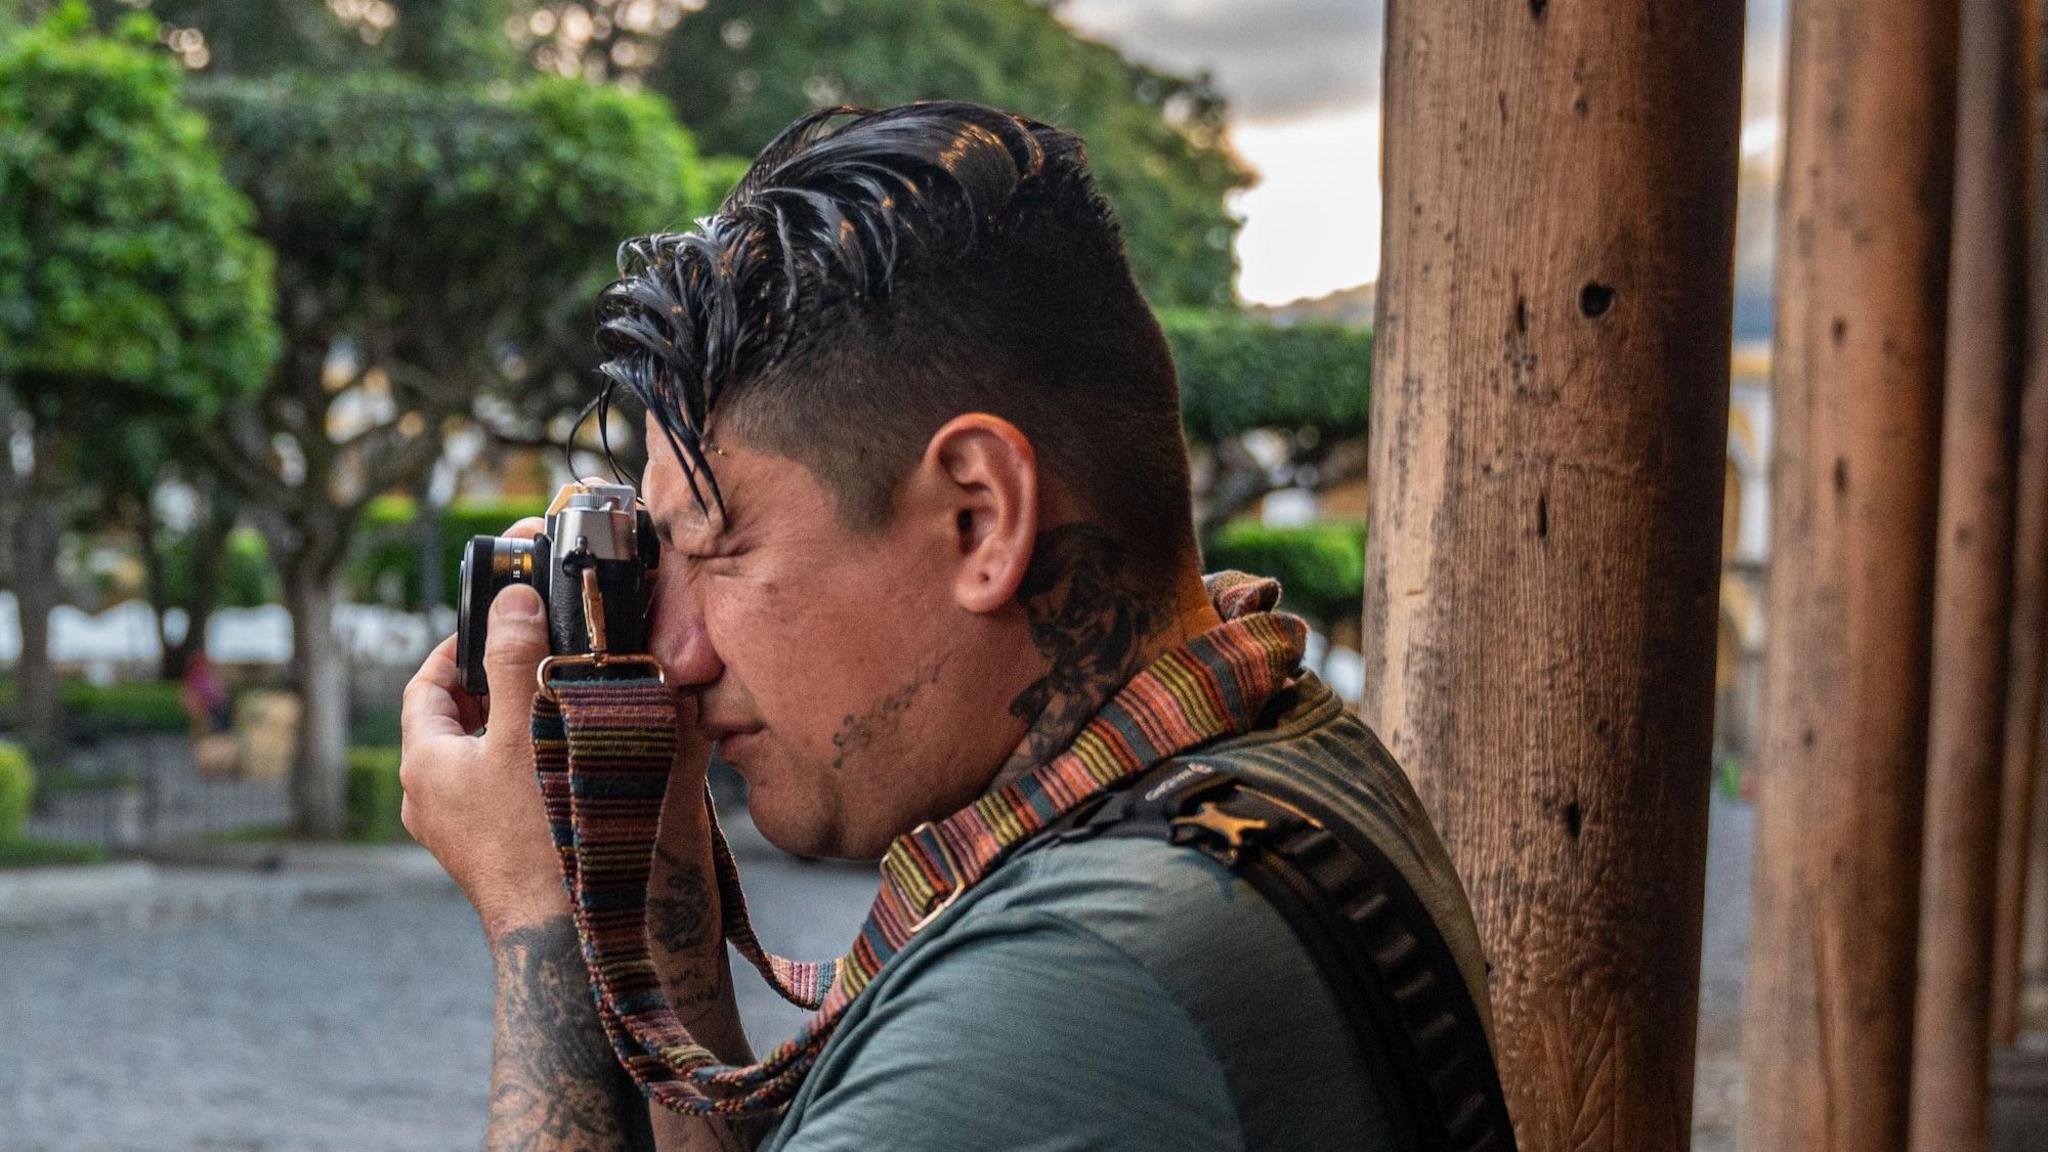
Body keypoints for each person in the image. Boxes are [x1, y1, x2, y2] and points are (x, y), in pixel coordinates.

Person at [399, 101, 1493, 1151]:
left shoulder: (1076, 988)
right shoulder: (1256, 756)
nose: (674, 654)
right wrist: (650, 862)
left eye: (717, 548)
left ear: (978, 517)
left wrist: (541, 926)